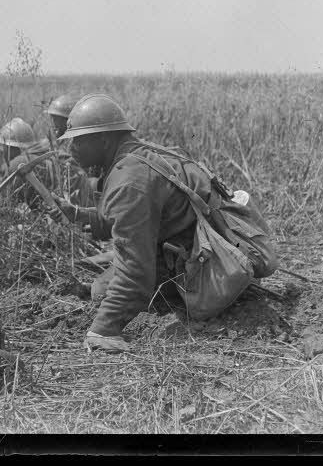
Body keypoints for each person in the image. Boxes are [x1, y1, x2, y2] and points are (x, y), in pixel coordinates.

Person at [48, 94, 249, 354]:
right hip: (210, 248)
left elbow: (135, 271)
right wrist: (82, 215)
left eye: (78, 141)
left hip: (208, 267)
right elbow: (144, 217)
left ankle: (178, 298)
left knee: (102, 291)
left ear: (104, 140)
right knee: (105, 285)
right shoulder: (140, 155)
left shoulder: (129, 181)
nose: (71, 149)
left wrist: (104, 328)